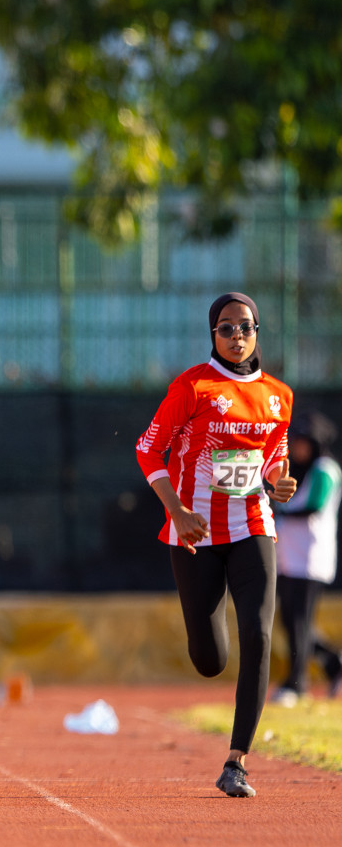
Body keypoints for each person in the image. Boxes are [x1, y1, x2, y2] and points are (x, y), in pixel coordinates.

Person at [135, 292, 296, 798]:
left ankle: (237, 762)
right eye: (225, 329)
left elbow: (274, 451)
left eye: (244, 327)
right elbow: (147, 447)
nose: (236, 336)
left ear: (257, 332)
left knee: (259, 633)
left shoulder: (278, 395)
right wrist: (177, 512)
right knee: (210, 660)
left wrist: (278, 480)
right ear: (213, 335)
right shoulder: (193, 387)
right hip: (196, 535)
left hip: (253, 526)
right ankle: (210, 625)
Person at [272, 411, 342, 704]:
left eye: (303, 442)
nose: (298, 448)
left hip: (310, 560)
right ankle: (333, 663)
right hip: (290, 558)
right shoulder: (304, 472)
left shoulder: (325, 470)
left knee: (299, 621)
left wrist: (278, 510)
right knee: (290, 621)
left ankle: (296, 684)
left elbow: (314, 505)